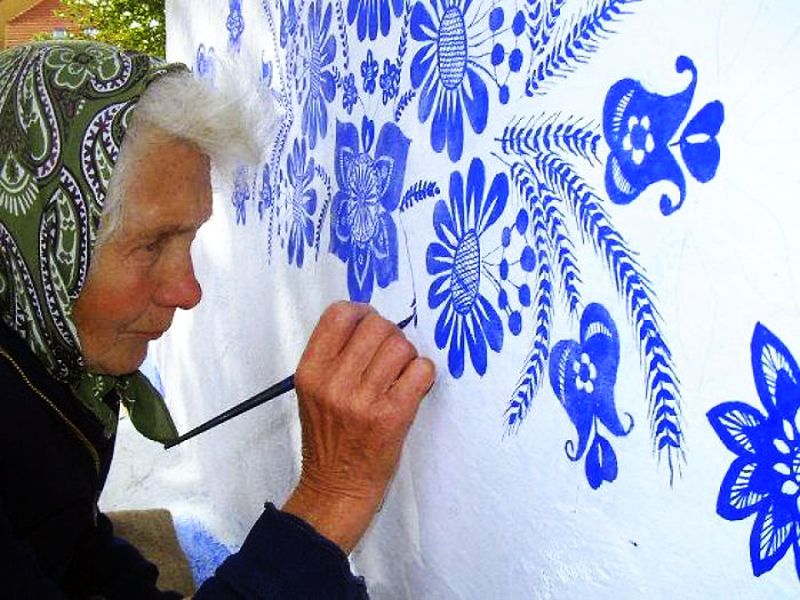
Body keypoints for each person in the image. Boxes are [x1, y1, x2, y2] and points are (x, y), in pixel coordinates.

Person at [0, 40, 435, 598]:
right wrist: (332, 496)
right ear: (41, 241)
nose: (189, 292)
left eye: (190, 239)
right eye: (152, 244)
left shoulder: (46, 369)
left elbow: (62, 542)